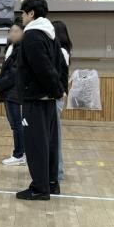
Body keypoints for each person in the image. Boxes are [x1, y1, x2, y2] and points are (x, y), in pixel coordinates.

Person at [16, 0, 65, 200]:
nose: (21, 16)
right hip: (48, 99)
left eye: (23, 12)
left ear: (31, 13)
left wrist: (56, 90)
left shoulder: (32, 35)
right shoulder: (50, 33)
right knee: (50, 144)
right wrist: (58, 90)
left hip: (35, 99)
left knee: (36, 144)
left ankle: (39, 188)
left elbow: (42, 68)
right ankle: (51, 183)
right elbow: (61, 65)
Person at [0, 22, 26, 166]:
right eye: (11, 31)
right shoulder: (11, 47)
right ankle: (21, 152)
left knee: (17, 124)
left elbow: (14, 73)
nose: (12, 33)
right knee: (15, 124)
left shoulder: (20, 49)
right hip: (9, 91)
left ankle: (19, 154)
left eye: (15, 31)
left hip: (14, 91)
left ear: (23, 33)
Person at [52, 20, 72, 182]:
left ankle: (58, 171)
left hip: (57, 97)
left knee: (55, 136)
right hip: (56, 96)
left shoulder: (62, 52)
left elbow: (60, 75)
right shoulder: (58, 51)